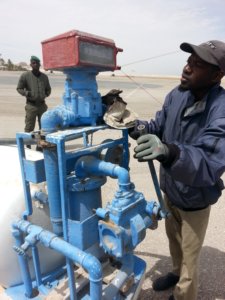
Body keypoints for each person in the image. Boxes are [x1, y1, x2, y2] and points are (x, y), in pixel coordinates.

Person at [129, 40, 225, 300]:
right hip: (170, 190)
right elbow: (157, 125)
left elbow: (209, 163)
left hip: (195, 199)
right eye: (188, 61)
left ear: (217, 75)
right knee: (174, 240)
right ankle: (174, 271)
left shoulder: (221, 108)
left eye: (197, 65)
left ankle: (184, 295)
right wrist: (135, 126)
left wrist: (169, 152)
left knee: (190, 261)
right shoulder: (177, 94)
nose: (187, 68)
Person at [17, 55, 51, 134]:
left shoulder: (44, 77)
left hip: (42, 106)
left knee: (44, 127)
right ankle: (28, 146)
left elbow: (48, 89)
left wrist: (45, 95)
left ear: (39, 64)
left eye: (37, 63)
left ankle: (41, 146)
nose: (35, 64)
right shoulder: (25, 76)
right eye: (33, 63)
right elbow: (19, 88)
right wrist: (27, 93)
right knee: (29, 128)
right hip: (31, 106)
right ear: (31, 65)